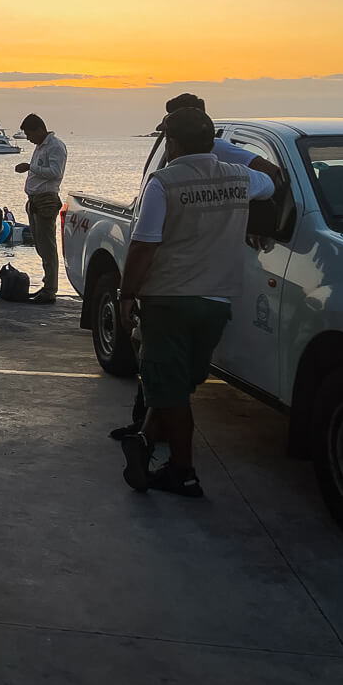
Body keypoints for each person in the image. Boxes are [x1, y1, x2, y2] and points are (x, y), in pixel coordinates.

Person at [118, 107, 276, 497]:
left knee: (169, 389)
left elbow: (143, 246)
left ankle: (183, 471)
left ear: (172, 143)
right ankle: (143, 442)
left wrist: (126, 294)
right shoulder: (241, 178)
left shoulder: (163, 183)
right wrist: (257, 226)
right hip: (216, 301)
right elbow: (272, 183)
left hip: (169, 300)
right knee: (178, 386)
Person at [15, 113, 67, 303]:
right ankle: (47, 285)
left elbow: (55, 173)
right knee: (40, 244)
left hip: (46, 200)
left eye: (29, 135)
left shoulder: (55, 146)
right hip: (35, 199)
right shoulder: (40, 147)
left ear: (39, 130)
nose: (28, 139)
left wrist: (30, 167)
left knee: (47, 245)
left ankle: (50, 289)